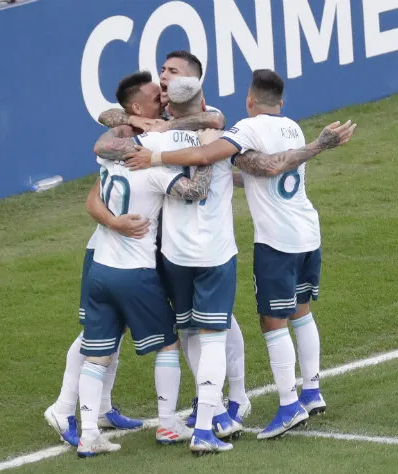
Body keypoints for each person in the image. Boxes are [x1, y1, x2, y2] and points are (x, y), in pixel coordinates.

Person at [123, 69, 356, 438]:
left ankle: (288, 404)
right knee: (301, 312)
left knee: (271, 320)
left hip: (276, 241)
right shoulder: (292, 127)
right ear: (281, 102)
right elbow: (257, 169)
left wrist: (155, 158)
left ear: (249, 101)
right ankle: (311, 390)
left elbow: (206, 154)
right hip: (308, 232)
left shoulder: (245, 129)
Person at [94, 76, 243, 454]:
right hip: (215, 253)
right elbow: (203, 185)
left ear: (169, 107)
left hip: (174, 256)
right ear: (204, 102)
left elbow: (106, 145)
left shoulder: (152, 141)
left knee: (190, 333)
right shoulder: (222, 138)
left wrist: (146, 128)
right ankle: (210, 425)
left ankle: (210, 415)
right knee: (212, 338)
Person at [42, 72, 164, 446]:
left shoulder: (152, 132)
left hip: (127, 250)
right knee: (97, 335)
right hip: (106, 249)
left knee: (116, 330)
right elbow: (92, 199)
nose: (163, 98)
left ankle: (103, 408)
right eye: (156, 96)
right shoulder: (124, 146)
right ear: (139, 107)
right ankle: (63, 409)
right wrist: (115, 223)